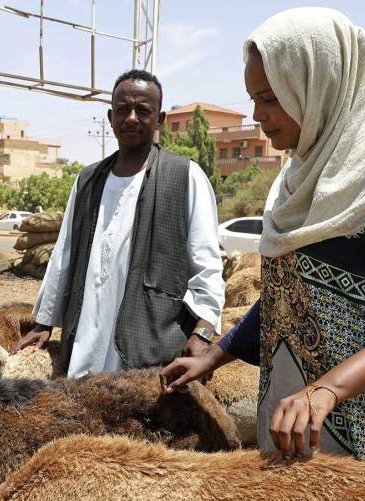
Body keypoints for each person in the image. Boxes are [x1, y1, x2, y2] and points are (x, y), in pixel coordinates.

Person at [160, 8, 365, 499]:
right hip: (298, 422)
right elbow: (290, 296)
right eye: (253, 100)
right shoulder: (301, 176)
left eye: (270, 98)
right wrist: (215, 356)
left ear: (318, 84)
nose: (258, 115)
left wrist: (328, 388)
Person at [16, 69, 225, 378]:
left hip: (151, 343)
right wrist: (44, 321)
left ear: (160, 119)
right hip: (86, 339)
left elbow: (206, 263)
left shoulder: (186, 176)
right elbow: (64, 255)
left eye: (143, 111)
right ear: (111, 116)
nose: (131, 118)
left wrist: (203, 332)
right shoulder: (88, 180)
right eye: (123, 110)